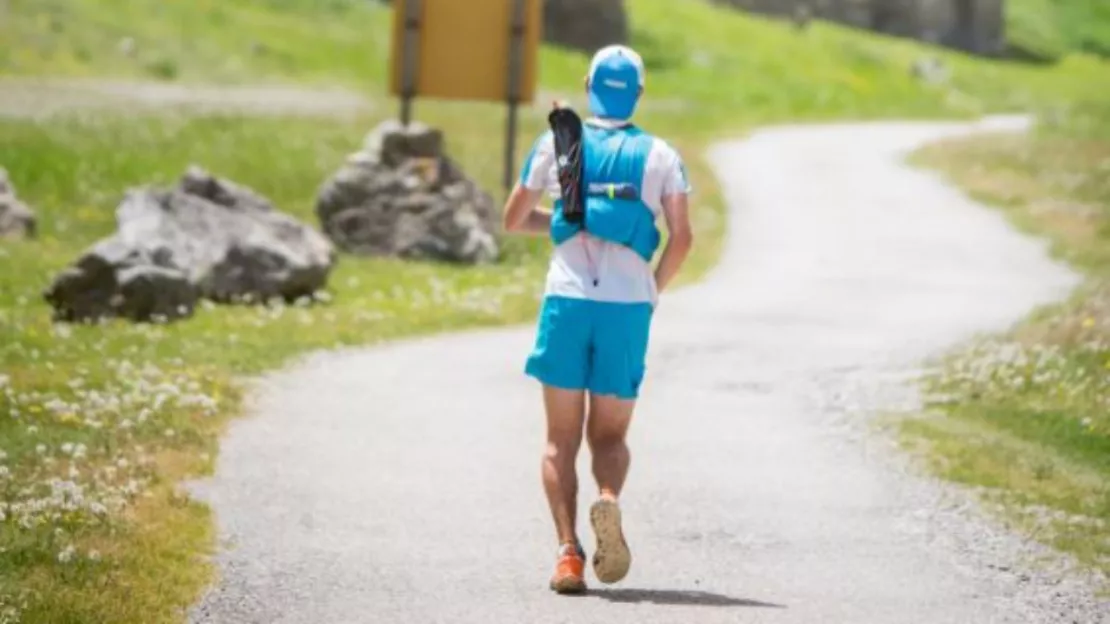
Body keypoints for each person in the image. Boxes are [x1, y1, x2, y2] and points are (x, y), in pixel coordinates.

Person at [501, 44, 695, 594]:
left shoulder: (556, 144)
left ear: (588, 86)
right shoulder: (661, 155)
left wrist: (567, 223)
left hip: (567, 300)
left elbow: (514, 219)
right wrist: (653, 289)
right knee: (609, 435)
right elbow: (683, 238)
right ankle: (607, 500)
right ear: (638, 92)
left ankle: (567, 555)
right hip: (626, 306)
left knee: (559, 439)